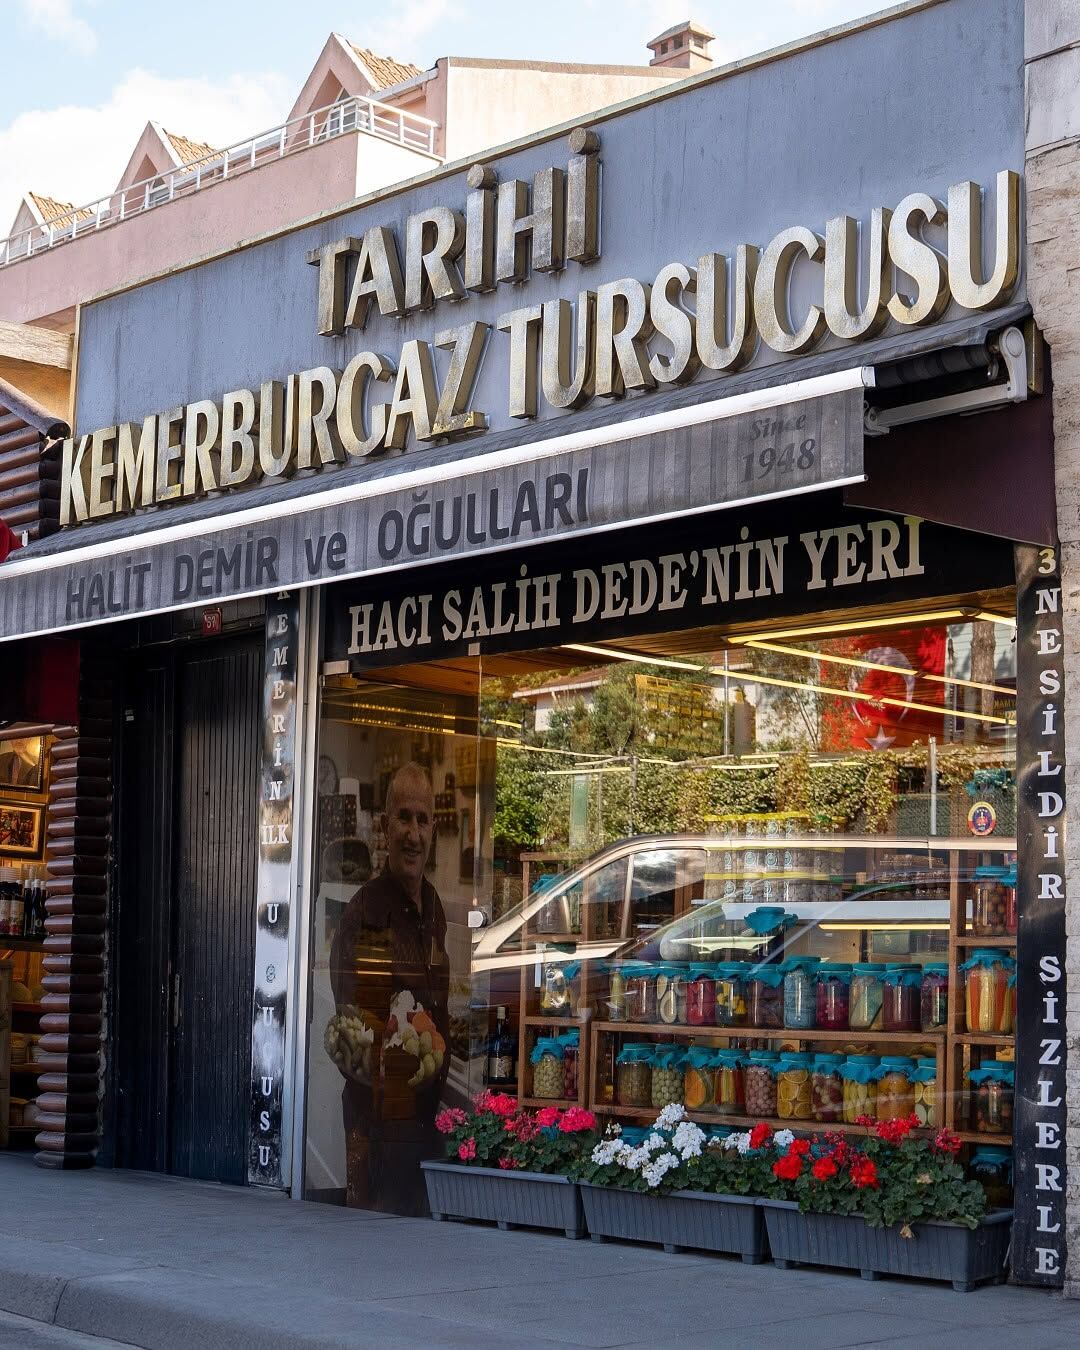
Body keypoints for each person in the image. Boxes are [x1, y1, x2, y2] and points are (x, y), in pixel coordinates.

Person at [329, 762, 450, 1215]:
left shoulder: (432, 905)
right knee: (375, 1242)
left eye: (422, 820)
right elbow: (354, 1033)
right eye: (403, 818)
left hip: (422, 1123)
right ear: (385, 826)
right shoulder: (369, 913)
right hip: (378, 1129)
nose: (413, 834)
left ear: (433, 829)